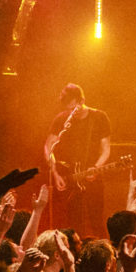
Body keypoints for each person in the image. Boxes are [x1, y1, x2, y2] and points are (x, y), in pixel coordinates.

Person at [43, 83, 112, 231]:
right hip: (69, 179)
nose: (70, 113)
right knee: (73, 225)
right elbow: (48, 146)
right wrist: (55, 174)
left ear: (82, 101)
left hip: (92, 176)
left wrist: (96, 167)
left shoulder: (99, 117)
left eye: (73, 108)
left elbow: (106, 149)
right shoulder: (61, 120)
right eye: (67, 109)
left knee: (96, 221)